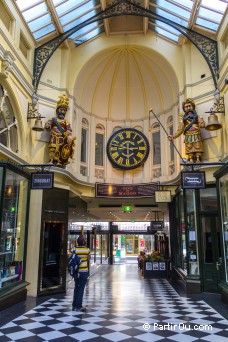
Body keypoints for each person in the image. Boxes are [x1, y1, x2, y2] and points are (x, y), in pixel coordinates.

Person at [168, 98, 206, 163]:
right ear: (184, 109)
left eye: (190, 106)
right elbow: (180, 130)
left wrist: (202, 123)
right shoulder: (183, 120)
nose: (188, 108)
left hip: (196, 135)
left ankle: (198, 159)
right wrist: (173, 136)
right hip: (188, 136)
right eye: (186, 107)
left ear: (193, 107)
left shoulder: (197, 117)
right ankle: (190, 159)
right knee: (189, 148)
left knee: (198, 147)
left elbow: (202, 125)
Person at [45, 94, 76, 167]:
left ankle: (60, 162)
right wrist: (47, 125)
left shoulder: (66, 122)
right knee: (53, 149)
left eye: (64, 110)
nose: (62, 112)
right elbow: (48, 126)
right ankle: (52, 160)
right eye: (61, 110)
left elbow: (69, 130)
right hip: (54, 137)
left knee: (60, 150)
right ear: (57, 110)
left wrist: (69, 135)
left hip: (62, 139)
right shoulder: (53, 120)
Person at [72, 235, 90, 312]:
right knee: (81, 288)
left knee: (76, 287)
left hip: (76, 272)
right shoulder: (87, 250)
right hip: (84, 271)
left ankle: (74, 304)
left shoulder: (74, 250)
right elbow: (88, 258)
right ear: (83, 242)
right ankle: (79, 306)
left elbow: (71, 258)